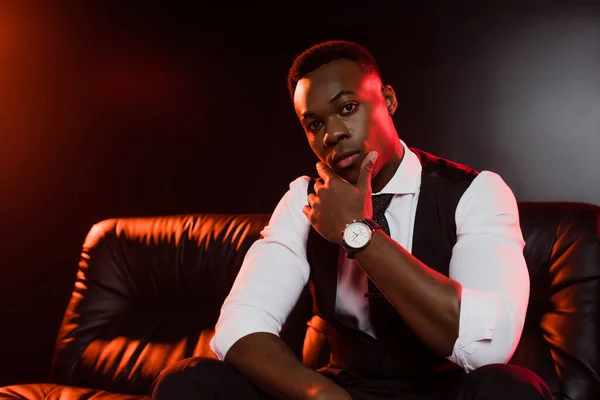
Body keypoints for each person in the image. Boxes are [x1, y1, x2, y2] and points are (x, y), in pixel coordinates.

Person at [150, 40, 552, 400]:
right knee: (189, 381)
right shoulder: (302, 200)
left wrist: (357, 234)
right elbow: (238, 329)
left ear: (389, 101)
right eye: (314, 124)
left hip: (444, 390)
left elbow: (487, 349)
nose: (332, 134)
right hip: (344, 389)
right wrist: (321, 394)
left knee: (510, 388)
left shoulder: (476, 191)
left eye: (347, 108)